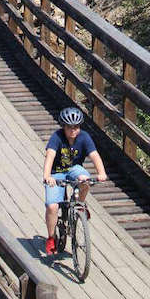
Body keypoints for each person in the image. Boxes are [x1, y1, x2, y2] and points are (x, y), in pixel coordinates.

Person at [43, 106, 107, 255]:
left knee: (85, 179)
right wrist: (47, 176)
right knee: (52, 206)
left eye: (76, 127)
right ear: (63, 127)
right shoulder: (57, 137)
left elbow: (94, 155)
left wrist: (101, 173)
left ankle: (80, 205)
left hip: (74, 169)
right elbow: (50, 156)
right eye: (69, 127)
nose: (73, 131)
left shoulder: (84, 137)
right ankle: (51, 238)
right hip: (56, 173)